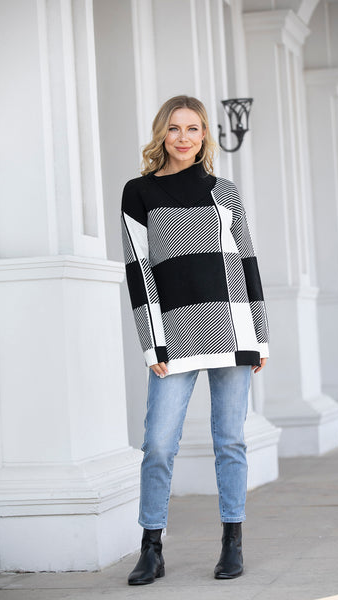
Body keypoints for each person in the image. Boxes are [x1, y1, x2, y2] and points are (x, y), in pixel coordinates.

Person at [120, 95, 269, 585]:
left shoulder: (224, 191)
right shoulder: (139, 193)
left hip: (233, 327)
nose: (183, 138)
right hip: (175, 333)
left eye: (193, 128)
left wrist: (260, 336)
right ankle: (151, 548)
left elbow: (247, 262)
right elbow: (139, 272)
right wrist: (152, 343)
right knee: (158, 445)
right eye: (174, 128)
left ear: (205, 135)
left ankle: (232, 543)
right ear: (161, 134)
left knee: (230, 440)